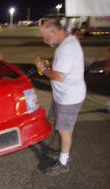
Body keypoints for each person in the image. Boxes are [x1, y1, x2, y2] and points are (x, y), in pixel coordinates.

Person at [35, 20, 86, 176]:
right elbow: (63, 65)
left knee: (64, 130)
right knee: (61, 127)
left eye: (45, 37)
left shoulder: (67, 48)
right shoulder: (68, 42)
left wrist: (43, 68)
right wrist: (49, 62)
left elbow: (58, 75)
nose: (45, 41)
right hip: (65, 95)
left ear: (54, 33)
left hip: (69, 98)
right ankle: (63, 152)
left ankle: (63, 163)